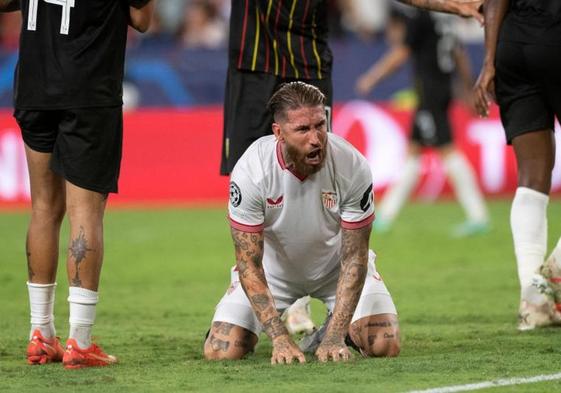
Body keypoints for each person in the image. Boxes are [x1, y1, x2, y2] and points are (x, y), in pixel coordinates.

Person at [0, 0, 155, 368]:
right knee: (84, 210)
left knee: (42, 207)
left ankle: (41, 334)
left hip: (35, 86)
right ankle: (80, 341)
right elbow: (142, 19)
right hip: (88, 91)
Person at [205, 81, 400, 364]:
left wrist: (334, 336)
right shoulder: (251, 171)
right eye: (303, 130)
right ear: (278, 134)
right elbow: (248, 263)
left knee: (384, 344)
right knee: (221, 351)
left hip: (337, 270)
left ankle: (332, 331)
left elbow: (355, 257)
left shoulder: (351, 165)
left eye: (320, 125)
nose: (316, 138)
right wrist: (280, 338)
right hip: (274, 274)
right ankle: (251, 323)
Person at [220, 0, 485, 175]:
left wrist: (451, 5)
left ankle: (321, 257)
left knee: (315, 171)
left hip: (309, 67)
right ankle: (251, 262)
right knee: (248, 173)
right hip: (253, 65)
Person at [355, 8, 489, 237]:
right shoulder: (445, 15)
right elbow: (459, 54)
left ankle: (479, 217)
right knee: (413, 154)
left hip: (429, 95)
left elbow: (401, 54)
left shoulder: (421, 17)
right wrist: (466, 87)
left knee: (448, 151)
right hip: (441, 90)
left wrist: (372, 77)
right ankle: (385, 216)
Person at [474, 0, 561, 330]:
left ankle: (532, 297)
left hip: (511, 46)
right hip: (556, 37)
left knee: (532, 177)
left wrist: (489, 63)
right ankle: (549, 279)